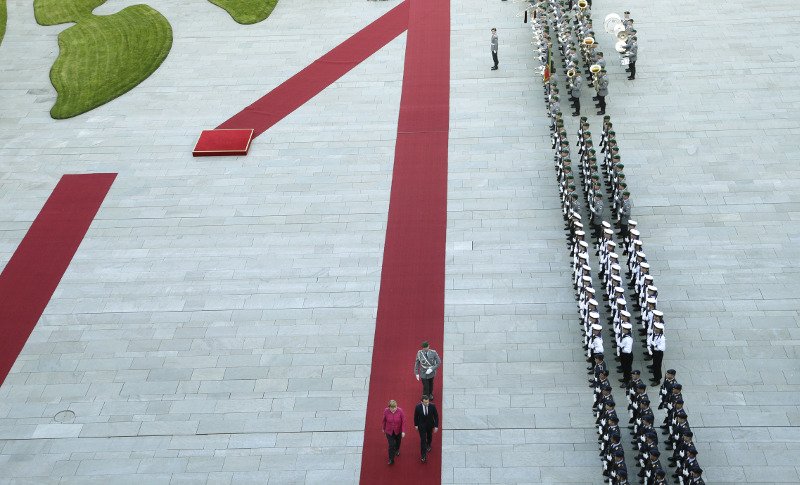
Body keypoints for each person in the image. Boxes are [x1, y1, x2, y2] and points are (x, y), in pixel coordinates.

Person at [413, 395, 439, 463]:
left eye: (428, 402)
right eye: (425, 402)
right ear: (421, 402)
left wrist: (436, 426)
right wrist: (416, 425)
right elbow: (415, 417)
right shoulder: (418, 407)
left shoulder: (432, 406)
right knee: (423, 440)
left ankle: (429, 445)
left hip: (430, 425)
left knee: (429, 436)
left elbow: (436, 416)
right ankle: (423, 456)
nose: (427, 404)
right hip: (421, 426)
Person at [382, 399, 405, 465]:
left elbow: (403, 421)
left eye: (395, 407)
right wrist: (383, 429)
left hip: (398, 430)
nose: (394, 409)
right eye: (392, 408)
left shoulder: (400, 410)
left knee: (398, 442)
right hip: (389, 431)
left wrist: (403, 431)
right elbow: (384, 420)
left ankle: (397, 449)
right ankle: (391, 459)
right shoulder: (386, 411)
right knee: (391, 445)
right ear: (389, 407)